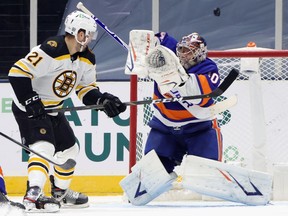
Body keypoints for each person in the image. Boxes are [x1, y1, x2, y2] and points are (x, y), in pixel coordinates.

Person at [8, 10, 126, 212]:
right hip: (29, 108)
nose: (89, 38)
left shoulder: (87, 58)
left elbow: (85, 89)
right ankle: (33, 193)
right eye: (86, 34)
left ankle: (60, 194)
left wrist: (103, 99)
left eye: (90, 34)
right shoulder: (52, 49)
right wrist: (31, 101)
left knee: (70, 149)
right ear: (76, 32)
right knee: (43, 147)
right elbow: (17, 73)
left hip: (53, 109)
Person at [120, 32, 222, 205]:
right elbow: (151, 37)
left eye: (188, 51)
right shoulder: (169, 51)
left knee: (206, 175)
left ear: (199, 53)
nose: (182, 54)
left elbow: (198, 97)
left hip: (198, 129)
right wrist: (142, 54)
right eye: (181, 49)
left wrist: (171, 75)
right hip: (165, 127)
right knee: (151, 174)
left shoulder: (209, 69)